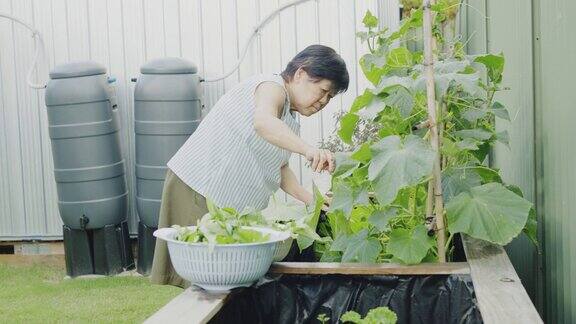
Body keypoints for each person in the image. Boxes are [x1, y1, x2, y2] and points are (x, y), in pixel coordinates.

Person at [150, 44, 349, 287]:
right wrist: (308, 150)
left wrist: (312, 201)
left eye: (329, 97)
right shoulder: (271, 88)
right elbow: (262, 122)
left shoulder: (289, 117)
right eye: (323, 91)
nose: (323, 101)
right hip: (200, 188)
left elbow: (280, 168)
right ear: (300, 74)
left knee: (222, 284)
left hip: (225, 203)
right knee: (206, 282)